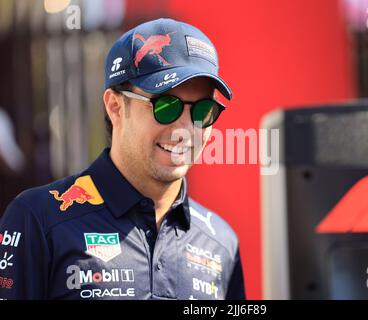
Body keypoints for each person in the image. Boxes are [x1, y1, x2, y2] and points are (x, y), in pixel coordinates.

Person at [0, 18, 245, 300]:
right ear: (115, 106)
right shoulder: (38, 219)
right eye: (166, 106)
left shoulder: (221, 243)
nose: (185, 130)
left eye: (203, 111)